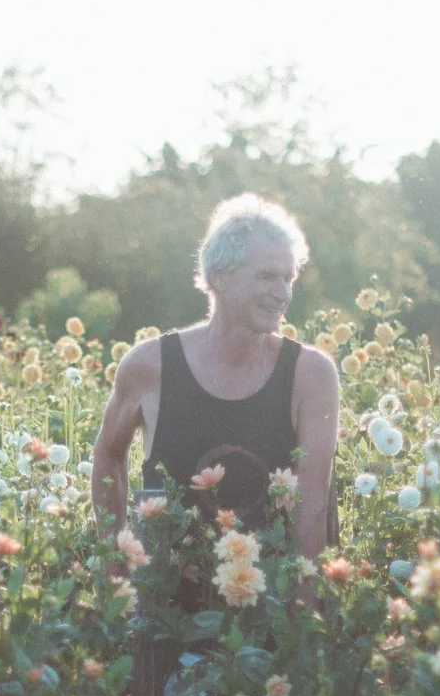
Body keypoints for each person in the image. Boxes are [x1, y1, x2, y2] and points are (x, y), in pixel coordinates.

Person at [90, 194, 339, 554]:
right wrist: (115, 563)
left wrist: (303, 605)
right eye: (267, 276)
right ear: (218, 277)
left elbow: (313, 508)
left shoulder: (310, 374)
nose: (283, 293)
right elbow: (108, 456)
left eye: (289, 278)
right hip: (166, 598)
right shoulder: (150, 366)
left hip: (268, 597)